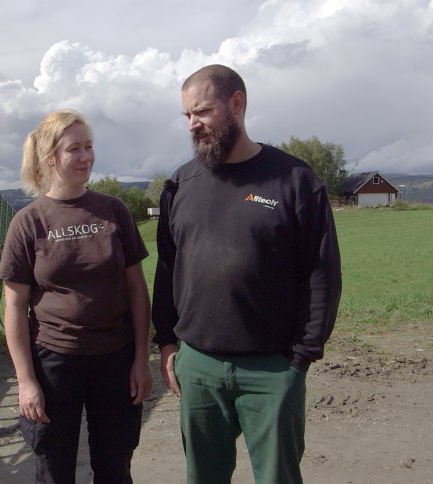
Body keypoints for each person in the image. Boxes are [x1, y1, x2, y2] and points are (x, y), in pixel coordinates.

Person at [152, 64, 342, 483]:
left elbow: (322, 274)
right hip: (198, 366)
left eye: (201, 111)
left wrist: (300, 358)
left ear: (236, 104)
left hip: (272, 369)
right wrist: (166, 341)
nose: (192, 125)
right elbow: (167, 269)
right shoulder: (181, 184)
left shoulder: (294, 181)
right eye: (186, 116)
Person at [0, 109, 152, 484]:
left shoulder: (113, 210)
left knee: (115, 465)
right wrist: (26, 380)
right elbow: (15, 308)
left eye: (89, 147)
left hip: (114, 359)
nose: (86, 157)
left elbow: (136, 288)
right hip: (54, 361)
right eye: (74, 149)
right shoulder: (29, 222)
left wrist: (140, 359)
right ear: (51, 157)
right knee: (53, 466)